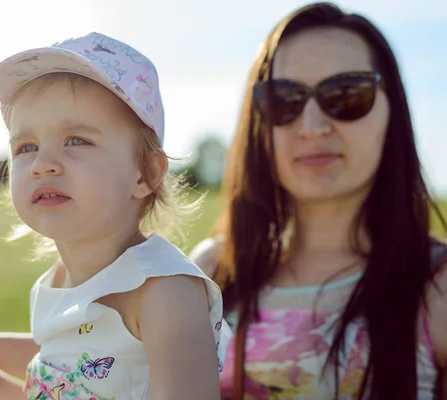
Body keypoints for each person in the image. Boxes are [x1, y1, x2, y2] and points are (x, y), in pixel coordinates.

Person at [0, 32, 229, 400]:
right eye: (27, 147)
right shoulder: (62, 277)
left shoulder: (164, 292)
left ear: (145, 174)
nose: (43, 164)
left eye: (77, 140)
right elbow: (73, 361)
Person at [190, 2, 447, 399]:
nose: (311, 127)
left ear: (392, 110)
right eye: (284, 100)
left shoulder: (438, 288)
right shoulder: (209, 276)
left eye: (345, 94)